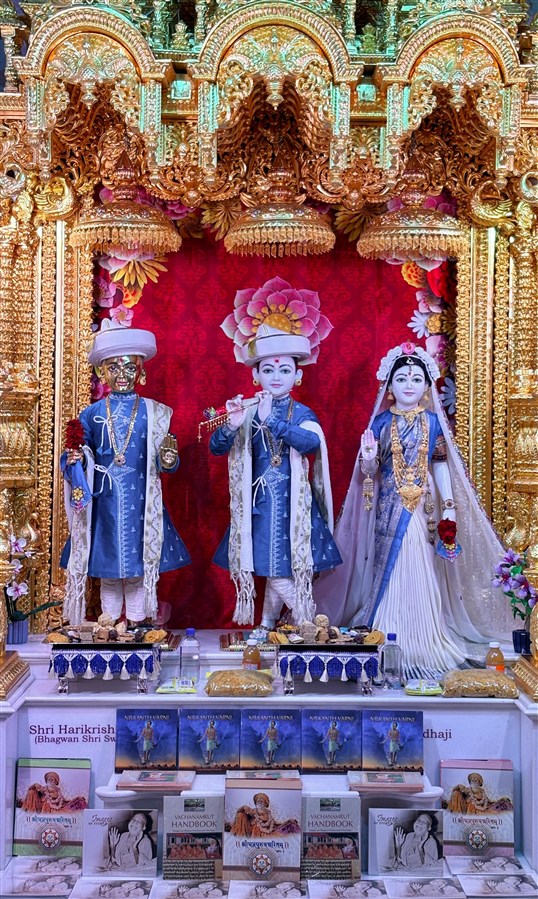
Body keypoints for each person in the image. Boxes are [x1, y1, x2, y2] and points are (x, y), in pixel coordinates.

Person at [315, 340, 511, 678]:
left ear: (426, 386)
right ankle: (389, 630)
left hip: (423, 508)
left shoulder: (433, 423)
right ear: (390, 387)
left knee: (419, 561)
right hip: (388, 508)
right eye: (402, 379)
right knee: (388, 567)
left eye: (416, 379)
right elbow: (370, 473)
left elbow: (441, 467)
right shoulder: (380, 424)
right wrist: (368, 459)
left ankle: (423, 638)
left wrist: (449, 509)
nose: (409, 385)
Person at [212, 277, 341, 627]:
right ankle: (277, 625)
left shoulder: (302, 412)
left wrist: (273, 421)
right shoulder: (247, 409)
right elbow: (217, 447)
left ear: (298, 375)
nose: (276, 377)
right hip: (258, 506)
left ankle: (302, 624)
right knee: (273, 566)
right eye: (268, 370)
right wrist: (231, 426)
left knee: (280, 566)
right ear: (256, 374)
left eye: (285, 370)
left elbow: (311, 444)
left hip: (294, 506)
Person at [61, 322, 190, 625]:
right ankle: (108, 623)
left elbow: (167, 462)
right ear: (101, 372)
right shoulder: (91, 414)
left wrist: (169, 458)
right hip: (103, 503)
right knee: (108, 568)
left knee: (137, 566)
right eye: (113, 368)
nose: (122, 375)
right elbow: (75, 456)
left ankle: (135, 622)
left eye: (130, 368)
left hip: (142, 502)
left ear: (141, 372)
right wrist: (74, 459)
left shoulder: (156, 412)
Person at [229, 791, 300, 836]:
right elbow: (239, 811)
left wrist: (288, 821)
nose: (260, 801)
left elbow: (275, 824)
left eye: (262, 800)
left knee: (292, 825)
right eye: (258, 800)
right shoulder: (253, 811)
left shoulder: (269, 813)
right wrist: (244, 806)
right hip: (257, 834)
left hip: (269, 833)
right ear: (255, 803)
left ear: (266, 804)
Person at [446, 772, 513, 814]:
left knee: (504, 803)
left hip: (483, 809)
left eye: (476, 780)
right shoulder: (467, 790)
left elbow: (488, 801)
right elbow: (454, 790)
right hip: (472, 811)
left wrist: (501, 799)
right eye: (472, 780)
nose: (474, 781)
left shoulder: (482, 791)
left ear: (480, 782)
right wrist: (458, 786)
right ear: (470, 782)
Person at [21, 770, 88, 812]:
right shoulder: (44, 788)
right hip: (46, 809)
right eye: (49, 779)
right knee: (32, 791)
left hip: (56, 809)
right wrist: (34, 784)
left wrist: (76, 798)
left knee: (79, 802)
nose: (50, 779)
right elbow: (31, 789)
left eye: (52, 779)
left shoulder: (58, 790)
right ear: (46, 781)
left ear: (56, 782)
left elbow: (63, 800)